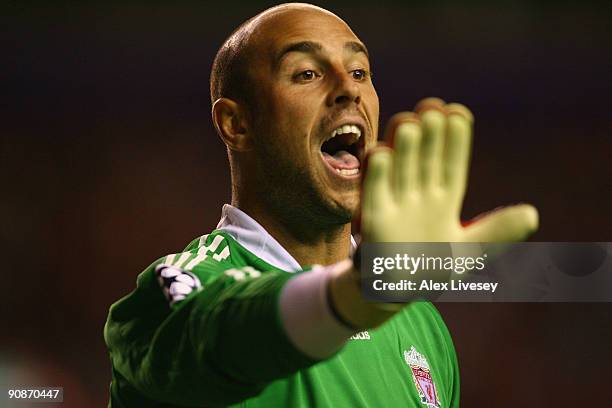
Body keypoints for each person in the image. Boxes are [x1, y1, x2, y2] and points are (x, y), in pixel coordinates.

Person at [104, 3, 538, 407]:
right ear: (236, 123)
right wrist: (351, 296)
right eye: (307, 74)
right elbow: (217, 333)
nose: (347, 89)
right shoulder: (181, 288)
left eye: (359, 71)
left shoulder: (420, 322)